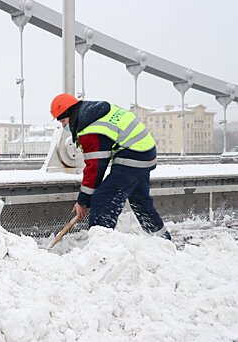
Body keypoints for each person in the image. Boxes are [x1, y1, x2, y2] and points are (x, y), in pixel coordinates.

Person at [50, 93, 171, 240]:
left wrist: (84, 201)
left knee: (103, 199)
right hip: (145, 151)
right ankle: (163, 240)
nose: (63, 126)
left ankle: (101, 247)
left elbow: (95, 169)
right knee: (140, 201)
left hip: (132, 155)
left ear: (70, 113)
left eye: (63, 121)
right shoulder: (95, 112)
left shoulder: (89, 128)